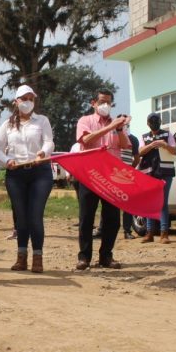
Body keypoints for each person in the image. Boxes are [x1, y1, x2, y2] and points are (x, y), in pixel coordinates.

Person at [0, 84, 54, 273]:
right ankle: (21, 257)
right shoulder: (7, 125)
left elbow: (49, 141)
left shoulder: (42, 121)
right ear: (16, 102)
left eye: (31, 99)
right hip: (16, 174)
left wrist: (43, 153)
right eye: (24, 99)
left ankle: (38, 257)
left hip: (40, 172)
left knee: (35, 216)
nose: (28, 102)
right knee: (21, 217)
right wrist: (7, 160)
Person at [75, 90, 132, 270]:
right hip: (90, 175)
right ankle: (84, 257)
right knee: (86, 217)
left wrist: (119, 128)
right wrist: (109, 127)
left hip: (111, 177)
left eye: (108, 102)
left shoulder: (117, 124)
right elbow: (86, 139)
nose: (105, 105)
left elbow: (125, 146)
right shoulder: (86, 121)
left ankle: (106, 256)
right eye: (101, 102)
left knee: (112, 219)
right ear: (94, 103)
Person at [138, 112, 176, 244]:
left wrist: (164, 145)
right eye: (151, 120)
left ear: (160, 121)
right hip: (149, 173)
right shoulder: (144, 137)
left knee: (162, 203)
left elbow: (175, 151)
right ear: (148, 123)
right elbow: (140, 152)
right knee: (150, 203)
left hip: (165, 172)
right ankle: (149, 233)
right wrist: (151, 145)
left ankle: (164, 233)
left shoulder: (167, 135)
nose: (154, 122)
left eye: (156, 120)